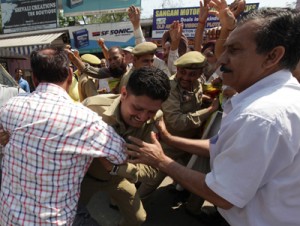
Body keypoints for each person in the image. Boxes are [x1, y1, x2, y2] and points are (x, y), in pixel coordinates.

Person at [126, 7, 300, 226]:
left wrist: (162, 161)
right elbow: (219, 144)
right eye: (224, 50)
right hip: (175, 144)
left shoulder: (260, 117)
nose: (221, 60)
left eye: (234, 50)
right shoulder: (275, 102)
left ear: (273, 56)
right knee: (146, 183)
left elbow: (222, 194)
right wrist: (169, 141)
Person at [0, 47, 127, 225]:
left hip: (9, 218)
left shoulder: (10, 107)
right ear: (69, 74)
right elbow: (120, 155)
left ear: (34, 79)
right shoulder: (86, 120)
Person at [79, 66, 171, 226]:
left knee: (138, 219)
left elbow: (154, 170)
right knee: (70, 215)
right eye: (137, 108)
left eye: (151, 112)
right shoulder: (92, 108)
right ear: (123, 94)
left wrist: (116, 169)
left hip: (118, 179)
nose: (143, 117)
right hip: (85, 179)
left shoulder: (156, 119)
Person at [137, 51, 219, 201]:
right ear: (177, 69)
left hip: (188, 142)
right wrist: (209, 111)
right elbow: (177, 122)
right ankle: (129, 206)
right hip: (169, 143)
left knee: (194, 173)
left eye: (192, 74)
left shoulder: (197, 83)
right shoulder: (170, 88)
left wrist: (205, 99)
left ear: (201, 72)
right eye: (182, 72)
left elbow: (194, 98)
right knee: (152, 180)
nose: (186, 78)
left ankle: (183, 195)